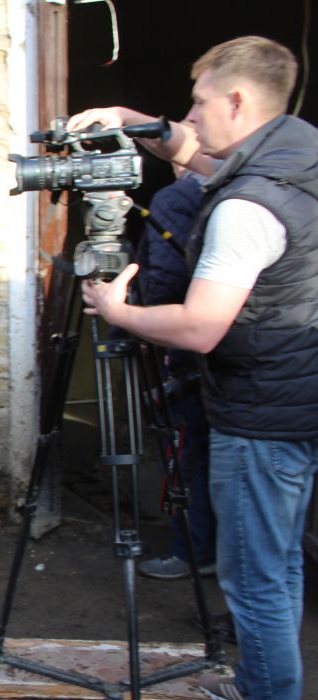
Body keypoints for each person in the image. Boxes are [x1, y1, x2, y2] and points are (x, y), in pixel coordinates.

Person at [74, 35, 314, 700]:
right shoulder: (297, 155)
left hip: (258, 410)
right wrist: (130, 120)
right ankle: (258, 686)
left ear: (236, 101)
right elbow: (194, 150)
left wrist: (119, 312)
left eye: (201, 101)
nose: (191, 116)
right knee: (278, 564)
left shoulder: (246, 207)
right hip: (296, 395)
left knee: (254, 575)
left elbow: (202, 326)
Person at [129, 168, 218, 581]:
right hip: (223, 354)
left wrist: (138, 319)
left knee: (188, 454)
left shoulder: (176, 198)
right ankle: (203, 547)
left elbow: (167, 278)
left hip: (186, 347)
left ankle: (191, 549)